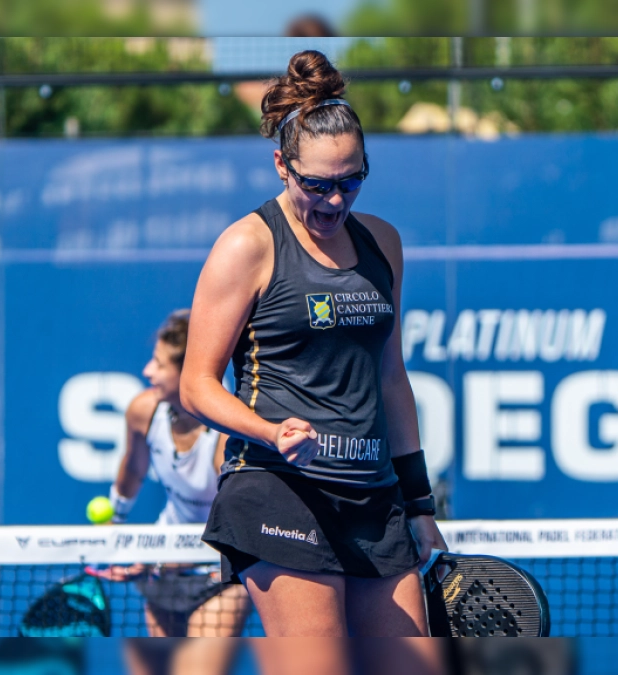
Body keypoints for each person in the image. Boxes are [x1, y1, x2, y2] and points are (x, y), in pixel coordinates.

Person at [180, 48, 448, 655]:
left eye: (351, 181)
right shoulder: (247, 244)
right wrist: (269, 432)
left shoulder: (382, 242)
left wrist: (420, 504)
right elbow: (196, 386)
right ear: (282, 165)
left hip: (374, 497)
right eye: (317, 184)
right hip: (278, 486)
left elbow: (391, 377)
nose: (334, 201)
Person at [90, 309, 252, 642]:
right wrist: (114, 526)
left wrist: (157, 561)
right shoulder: (143, 412)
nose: (148, 371)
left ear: (188, 372)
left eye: (160, 365)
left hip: (218, 569)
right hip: (163, 562)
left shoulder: (225, 437)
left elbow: (237, 531)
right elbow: (134, 468)